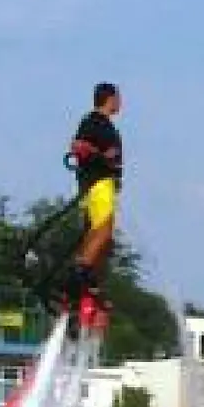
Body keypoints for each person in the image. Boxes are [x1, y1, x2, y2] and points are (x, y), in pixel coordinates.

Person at [65, 81, 123, 329]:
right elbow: (77, 146)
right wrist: (101, 156)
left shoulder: (105, 125)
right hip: (98, 183)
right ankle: (82, 272)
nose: (121, 103)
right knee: (104, 229)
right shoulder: (94, 121)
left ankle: (88, 282)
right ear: (109, 99)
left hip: (104, 184)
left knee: (100, 237)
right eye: (118, 98)